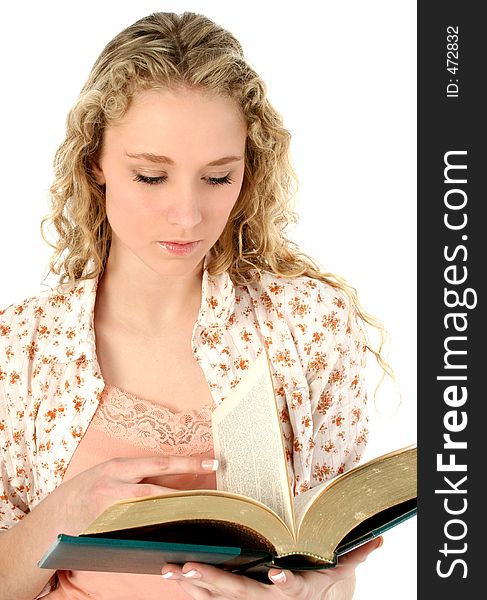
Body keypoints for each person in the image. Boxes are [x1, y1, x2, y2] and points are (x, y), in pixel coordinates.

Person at [0, 11, 387, 600]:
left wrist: (310, 593)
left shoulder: (309, 327)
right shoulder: (20, 344)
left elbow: (325, 561)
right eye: (151, 176)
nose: (187, 216)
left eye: (217, 177)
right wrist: (68, 506)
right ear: (95, 163)